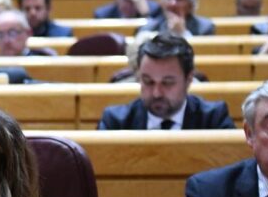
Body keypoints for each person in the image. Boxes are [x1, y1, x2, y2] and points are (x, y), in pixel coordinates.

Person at [98, 34, 233, 130]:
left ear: (189, 79)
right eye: (148, 82)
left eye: (167, 83)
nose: (157, 93)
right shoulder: (115, 122)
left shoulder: (214, 119)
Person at [136, 0, 215, 38]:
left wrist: (182, 33)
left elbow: (203, 54)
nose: (173, 3)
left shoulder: (204, 28)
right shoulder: (148, 28)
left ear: (191, 5)